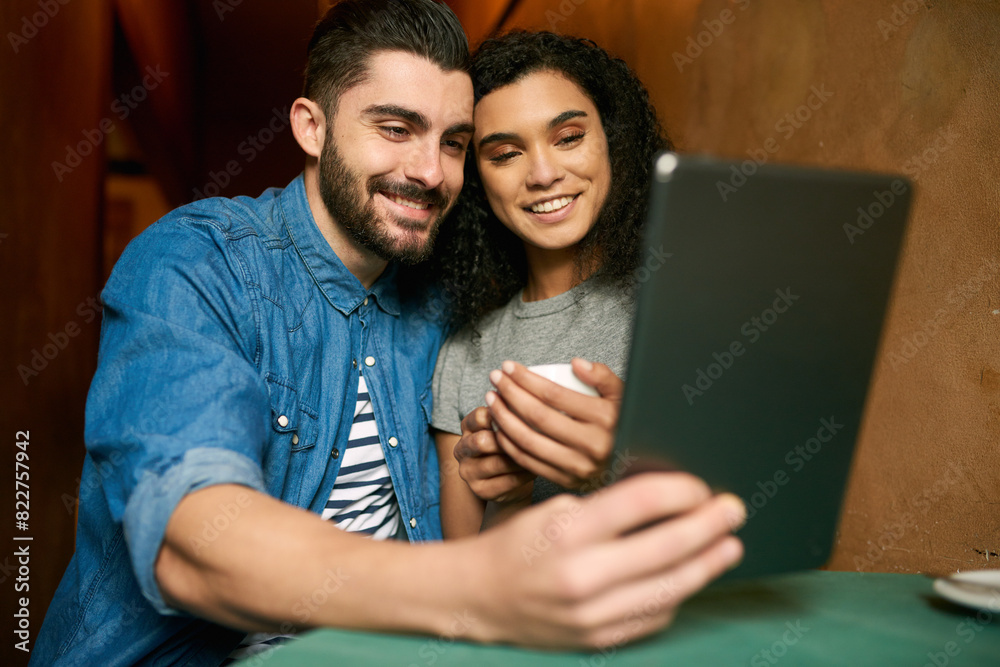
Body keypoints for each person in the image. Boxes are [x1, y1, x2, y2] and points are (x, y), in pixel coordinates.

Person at [32, 2, 745, 665]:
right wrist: (472, 587)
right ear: (311, 127)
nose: (430, 172)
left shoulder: (449, 299)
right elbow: (194, 542)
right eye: (395, 128)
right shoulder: (197, 261)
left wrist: (533, 473)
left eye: (455, 142)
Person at [431, 31, 669, 536]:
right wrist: (513, 495)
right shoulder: (465, 354)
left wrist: (624, 462)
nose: (542, 174)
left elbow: (748, 520)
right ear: (477, 179)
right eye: (505, 154)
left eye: (568, 138)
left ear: (613, 141)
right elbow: (465, 584)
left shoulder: (684, 308)